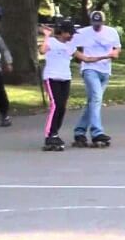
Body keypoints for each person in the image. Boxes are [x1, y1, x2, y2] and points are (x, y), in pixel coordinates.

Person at [39, 21, 104, 150]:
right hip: (52, 78)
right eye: (69, 33)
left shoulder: (70, 46)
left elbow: (86, 58)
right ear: (62, 32)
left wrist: (106, 56)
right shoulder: (51, 42)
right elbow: (42, 50)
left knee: (62, 107)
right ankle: (49, 135)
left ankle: (55, 133)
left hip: (65, 78)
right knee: (55, 105)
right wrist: (46, 36)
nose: (71, 36)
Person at [72, 11, 121, 147]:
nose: (96, 26)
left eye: (99, 24)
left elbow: (117, 48)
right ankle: (96, 132)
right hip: (89, 69)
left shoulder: (112, 32)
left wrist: (115, 53)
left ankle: (79, 132)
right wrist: (80, 56)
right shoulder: (82, 32)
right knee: (96, 98)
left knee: (92, 102)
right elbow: (69, 45)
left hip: (105, 71)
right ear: (91, 22)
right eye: (94, 23)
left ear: (104, 22)